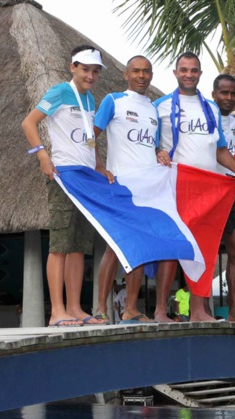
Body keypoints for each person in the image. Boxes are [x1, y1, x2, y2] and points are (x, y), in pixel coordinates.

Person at [154, 52, 235, 322]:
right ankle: (160, 310)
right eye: (183, 69)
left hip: (209, 189)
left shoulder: (211, 107)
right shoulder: (159, 105)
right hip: (177, 185)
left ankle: (197, 311)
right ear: (175, 72)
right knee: (173, 247)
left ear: (200, 74)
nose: (188, 74)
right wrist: (157, 151)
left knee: (203, 249)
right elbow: (150, 145)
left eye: (194, 70)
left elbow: (219, 150)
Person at [21, 45, 107, 327]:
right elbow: (29, 123)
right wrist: (42, 155)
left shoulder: (90, 98)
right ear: (73, 67)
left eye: (95, 71)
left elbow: (87, 138)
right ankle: (57, 311)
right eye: (85, 70)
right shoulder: (60, 91)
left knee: (79, 246)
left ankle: (75, 308)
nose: (90, 76)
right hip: (63, 175)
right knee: (59, 245)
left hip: (85, 177)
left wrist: (98, 166)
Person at [92, 55, 163, 325]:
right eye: (136, 71)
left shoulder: (153, 109)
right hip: (120, 185)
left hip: (148, 188)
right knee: (115, 247)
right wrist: (99, 166)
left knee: (141, 248)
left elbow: (152, 147)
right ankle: (100, 309)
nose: (141, 76)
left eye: (146, 71)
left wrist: (160, 153)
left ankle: (131, 309)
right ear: (126, 74)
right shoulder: (113, 100)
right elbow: (91, 136)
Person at [212, 74, 235, 322]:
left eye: (233, 93)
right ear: (214, 94)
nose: (228, 98)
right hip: (208, 188)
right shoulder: (205, 114)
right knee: (205, 251)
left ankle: (234, 310)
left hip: (231, 189)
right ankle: (201, 310)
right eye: (224, 92)